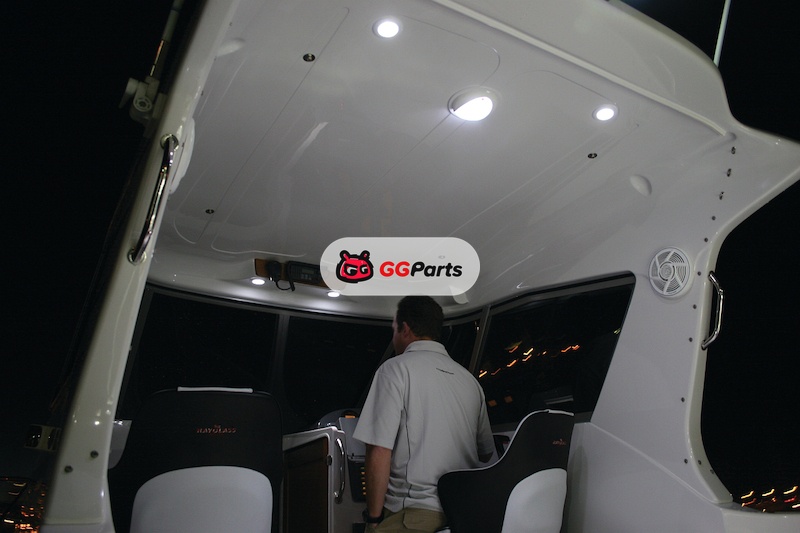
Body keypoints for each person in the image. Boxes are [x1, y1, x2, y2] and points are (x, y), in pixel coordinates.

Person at [353, 296, 495, 532]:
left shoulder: (395, 369)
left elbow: (378, 450)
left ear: (405, 328)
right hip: (462, 515)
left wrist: (374, 519)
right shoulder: (470, 381)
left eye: (394, 330)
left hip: (414, 514)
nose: (394, 337)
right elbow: (486, 452)